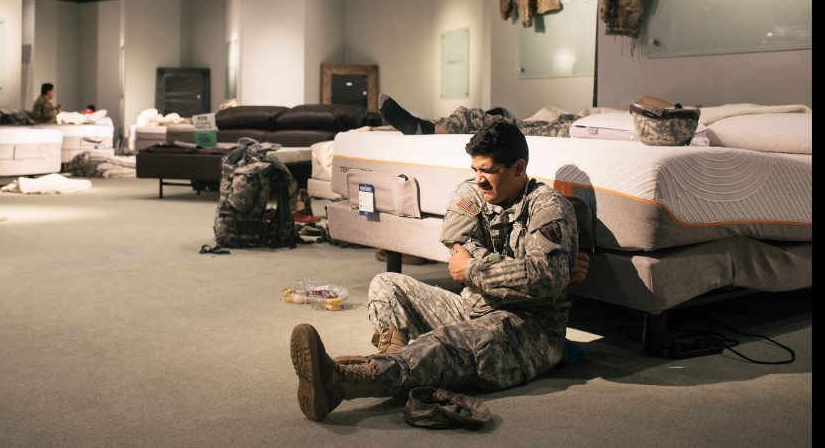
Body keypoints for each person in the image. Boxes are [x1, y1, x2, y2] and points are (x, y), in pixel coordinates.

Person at [290, 118, 589, 422]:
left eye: (488, 170)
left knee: (448, 342)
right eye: (475, 169)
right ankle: (391, 360)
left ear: (518, 168)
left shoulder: (547, 206)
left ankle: (342, 382)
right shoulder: (471, 193)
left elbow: (544, 280)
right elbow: (456, 242)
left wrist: (474, 270)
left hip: (528, 327)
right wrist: (517, 271)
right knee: (387, 284)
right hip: (473, 307)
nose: (479, 179)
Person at [377, 93, 693, 137]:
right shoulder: (680, 119)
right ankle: (430, 126)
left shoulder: (691, 132)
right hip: (571, 122)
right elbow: (642, 101)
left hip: (571, 133)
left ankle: (428, 128)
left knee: (496, 125)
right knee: (488, 117)